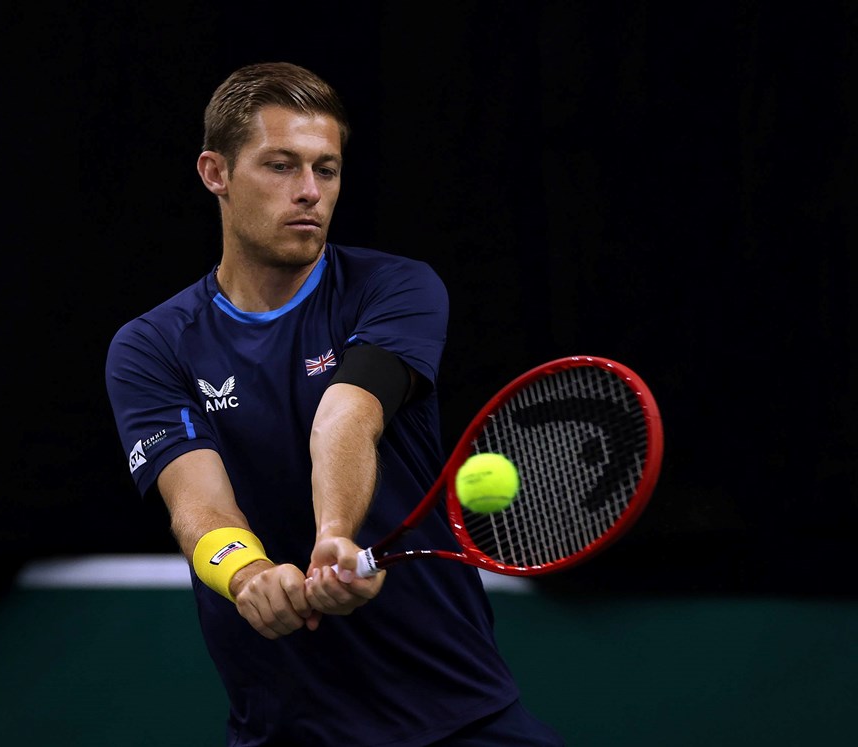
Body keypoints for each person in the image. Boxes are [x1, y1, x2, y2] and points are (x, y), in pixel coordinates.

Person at [105, 61, 564, 747]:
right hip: (287, 727)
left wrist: (333, 536)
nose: (309, 193)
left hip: (457, 711)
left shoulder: (396, 288)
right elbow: (198, 506)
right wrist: (249, 573)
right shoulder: (153, 346)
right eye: (281, 166)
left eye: (327, 169)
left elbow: (347, 413)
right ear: (215, 173)